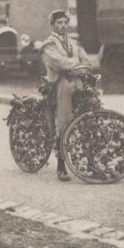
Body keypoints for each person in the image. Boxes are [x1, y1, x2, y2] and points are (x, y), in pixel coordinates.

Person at [38, 10, 96, 181]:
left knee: (91, 116)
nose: (63, 26)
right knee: (63, 122)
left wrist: (76, 65)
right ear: (53, 25)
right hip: (59, 85)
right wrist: (77, 65)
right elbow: (58, 64)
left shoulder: (74, 43)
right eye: (59, 23)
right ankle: (61, 165)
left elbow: (88, 62)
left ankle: (91, 161)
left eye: (65, 22)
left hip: (78, 83)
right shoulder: (48, 45)